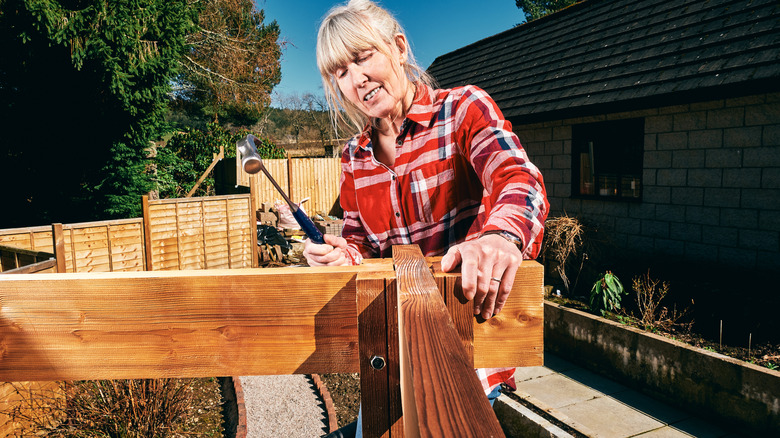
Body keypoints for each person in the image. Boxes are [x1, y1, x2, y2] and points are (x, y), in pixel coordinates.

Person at [306, 0, 548, 435]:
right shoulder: (353, 158)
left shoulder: (462, 111)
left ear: (399, 48)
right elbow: (361, 247)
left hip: (468, 343)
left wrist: (499, 237)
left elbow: (518, 179)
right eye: (341, 72)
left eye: (363, 58)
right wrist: (340, 258)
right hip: (390, 349)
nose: (357, 79)